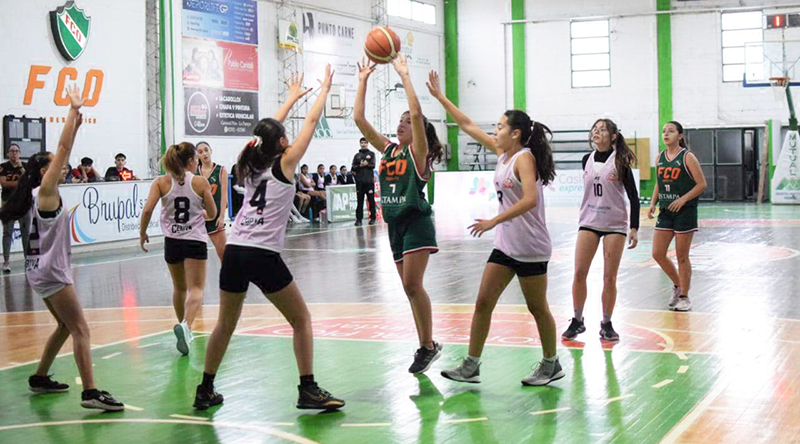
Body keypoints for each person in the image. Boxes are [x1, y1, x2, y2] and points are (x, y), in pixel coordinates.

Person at [195, 67, 345, 411]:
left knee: (225, 324)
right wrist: (323, 90)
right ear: (281, 142)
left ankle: (205, 388)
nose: (290, 138)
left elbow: (262, 135)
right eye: (284, 136)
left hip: (235, 249)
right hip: (262, 253)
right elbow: (310, 123)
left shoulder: (248, 164)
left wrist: (291, 96)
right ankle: (307, 388)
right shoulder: (285, 164)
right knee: (301, 320)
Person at [426, 71, 564, 386]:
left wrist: (493, 221)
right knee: (483, 302)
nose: (495, 130)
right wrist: (439, 97)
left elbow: (530, 200)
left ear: (515, 133)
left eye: (500, 126)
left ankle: (551, 363)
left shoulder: (524, 159)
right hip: (506, 246)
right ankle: (471, 365)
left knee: (537, 307)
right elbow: (467, 125)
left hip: (530, 246)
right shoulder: (504, 154)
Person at [0, 86, 123, 410]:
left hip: (39, 272)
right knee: (81, 329)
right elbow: (63, 146)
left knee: (65, 326)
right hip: (52, 273)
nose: (63, 165)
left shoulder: (42, 193)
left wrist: (78, 124)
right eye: (56, 164)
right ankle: (91, 393)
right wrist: (72, 111)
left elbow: (65, 149)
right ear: (45, 171)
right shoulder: (46, 190)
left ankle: (40, 377)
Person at [354, 56, 444, 374]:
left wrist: (405, 75)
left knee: (412, 285)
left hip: (416, 222)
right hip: (393, 224)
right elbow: (359, 119)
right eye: (401, 120)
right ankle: (428, 346)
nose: (402, 123)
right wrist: (363, 79)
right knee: (409, 289)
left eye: (407, 121)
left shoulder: (418, 152)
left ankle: (427, 344)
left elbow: (418, 114)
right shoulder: (389, 149)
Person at [562, 119, 640, 342]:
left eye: (602, 129)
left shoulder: (621, 161)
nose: (596, 131)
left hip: (615, 224)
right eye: (594, 129)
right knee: (579, 272)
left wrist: (634, 227)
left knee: (609, 277)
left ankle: (606, 323)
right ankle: (577, 320)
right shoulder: (586, 159)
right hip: (588, 220)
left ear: (613, 136)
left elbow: (633, 197)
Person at [140, 142, 216, 356]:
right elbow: (212, 211)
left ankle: (182, 326)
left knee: (179, 288)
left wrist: (142, 233)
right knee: (197, 289)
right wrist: (204, 214)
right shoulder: (200, 182)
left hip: (172, 241)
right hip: (194, 240)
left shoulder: (161, 182)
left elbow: (147, 211)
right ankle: (186, 326)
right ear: (192, 161)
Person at [649, 121, 707, 312]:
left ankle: (684, 296)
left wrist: (683, 199)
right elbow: (659, 182)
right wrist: (652, 202)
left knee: (682, 255)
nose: (666, 134)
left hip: (685, 212)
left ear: (680, 135)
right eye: (664, 131)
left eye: (671, 131)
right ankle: (677, 285)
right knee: (657, 253)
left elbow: (701, 184)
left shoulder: (687, 157)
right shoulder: (659, 157)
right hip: (666, 211)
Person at [196, 141, 229, 260]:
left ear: (211, 151)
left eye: (206, 150)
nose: (204, 154)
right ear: (197, 155)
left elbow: (224, 196)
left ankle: (228, 278)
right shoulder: (194, 172)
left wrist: (221, 217)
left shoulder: (221, 170)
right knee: (196, 256)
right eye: (200, 152)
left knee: (224, 253)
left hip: (214, 218)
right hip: (198, 219)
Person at [1, 143, 30, 273]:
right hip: (9, 203)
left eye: (17, 151)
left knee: (26, 233)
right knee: (7, 232)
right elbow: (4, 183)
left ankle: (28, 260)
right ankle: (6, 261)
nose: (14, 153)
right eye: (12, 151)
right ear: (8, 153)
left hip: (24, 203)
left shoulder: (25, 166)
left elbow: (29, 181)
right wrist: (20, 183)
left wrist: (21, 170)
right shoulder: (3, 167)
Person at [351, 137, 377, 226]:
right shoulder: (357, 155)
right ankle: (359, 219)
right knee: (360, 200)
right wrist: (360, 166)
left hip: (369, 181)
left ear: (367, 143)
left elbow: (373, 165)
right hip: (360, 182)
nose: (363, 144)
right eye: (362, 142)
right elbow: (353, 168)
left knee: (371, 200)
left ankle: (373, 218)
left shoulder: (371, 154)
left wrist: (367, 164)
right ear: (360, 143)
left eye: (365, 142)